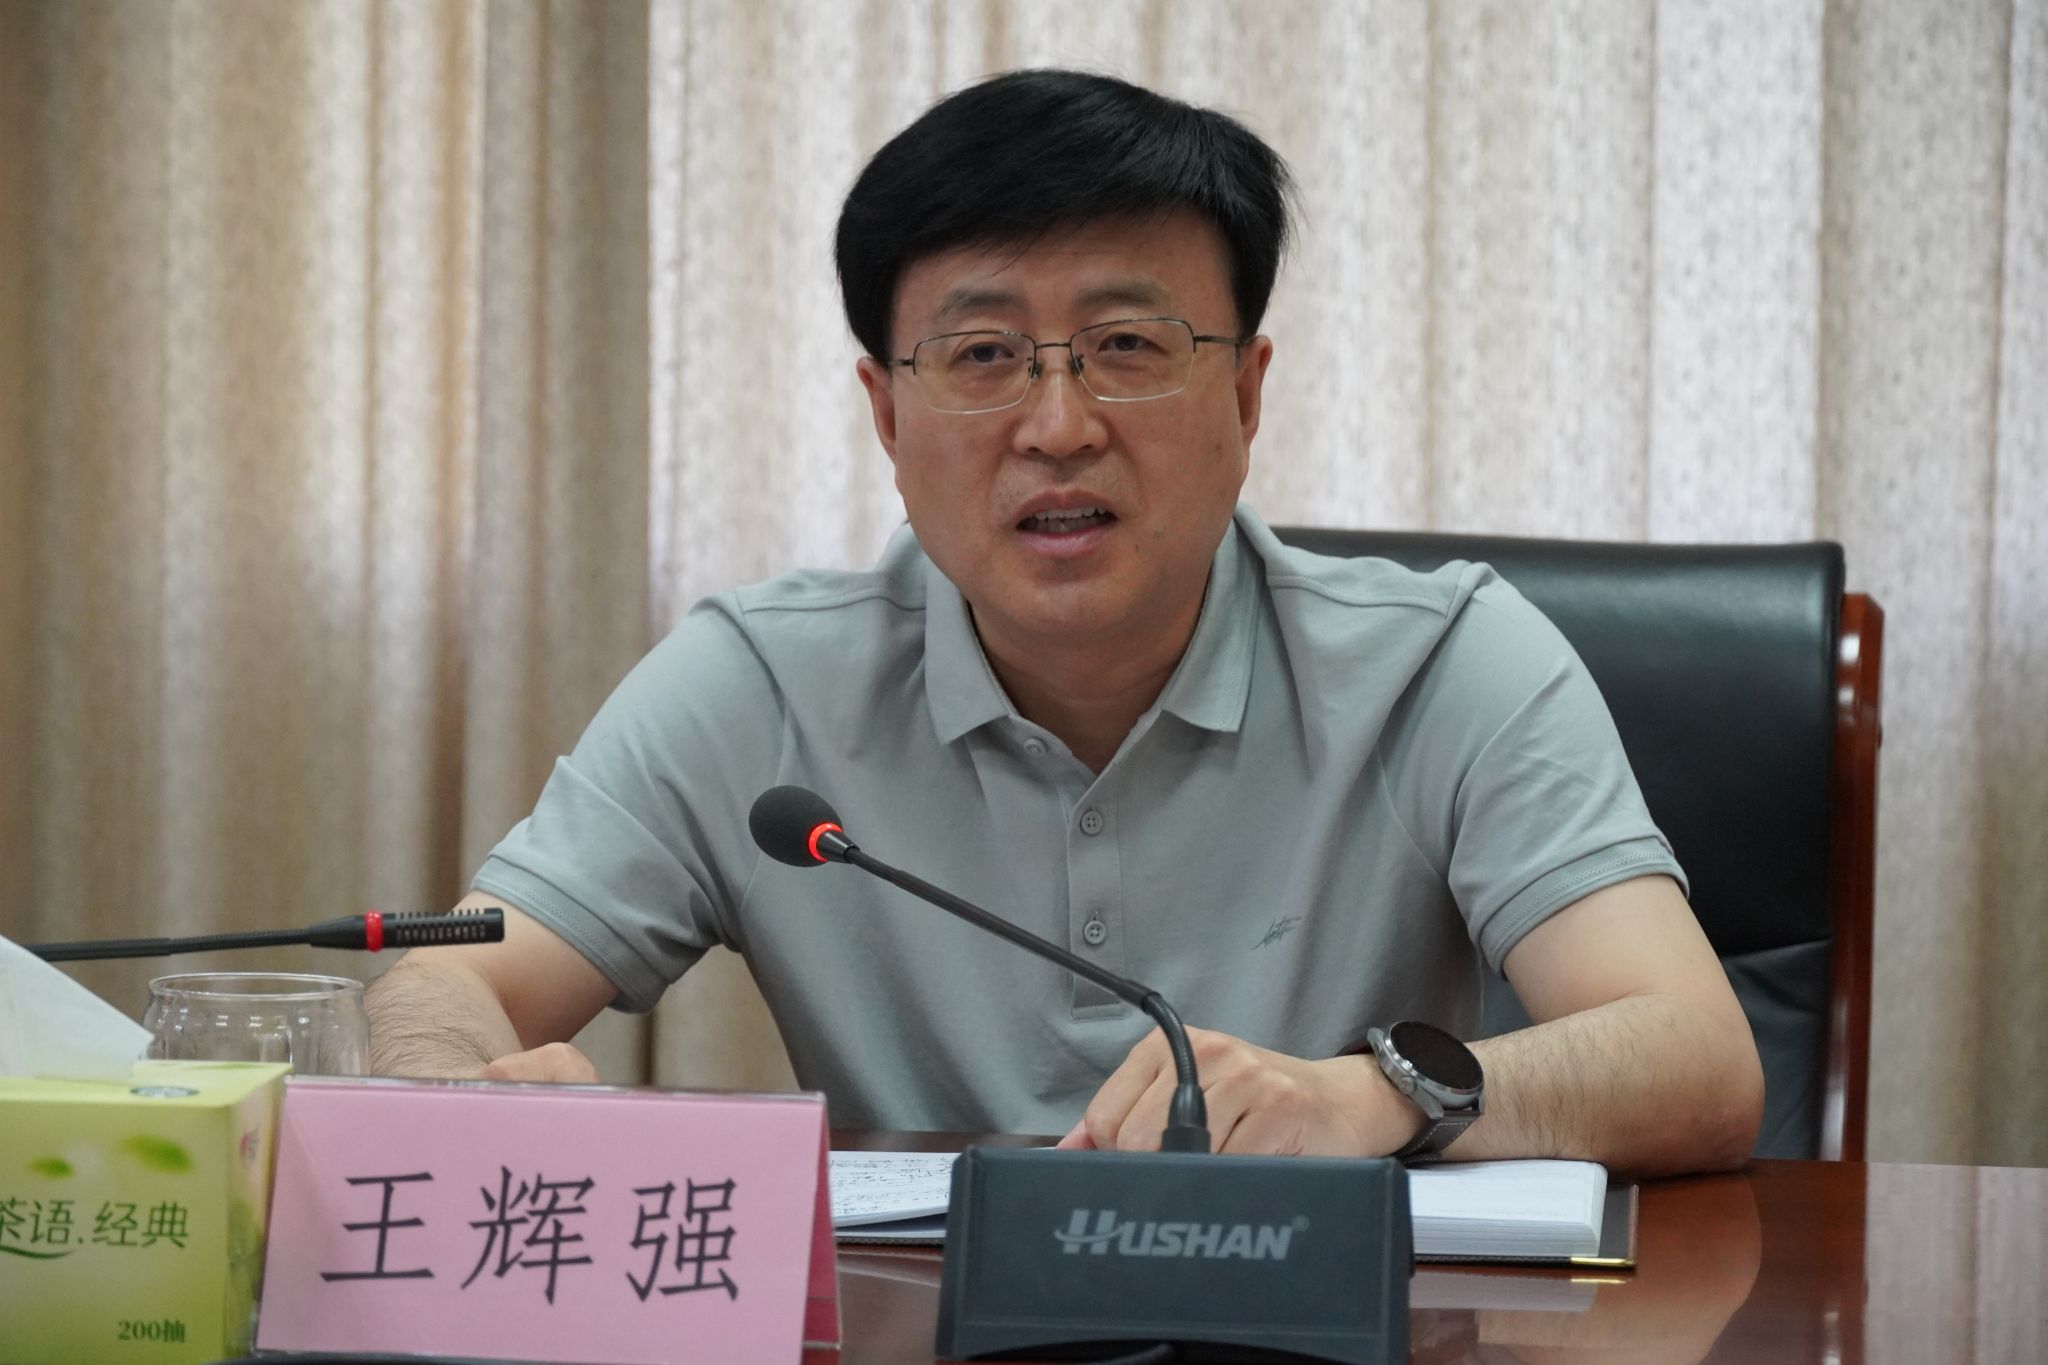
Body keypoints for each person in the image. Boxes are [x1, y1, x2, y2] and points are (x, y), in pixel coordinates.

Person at [367, 69, 1763, 1177]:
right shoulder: (759, 686)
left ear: (1246, 396)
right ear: (887, 417)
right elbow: (452, 975)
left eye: (1127, 348)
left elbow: (1697, 1060)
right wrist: (455, 1092)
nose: (1057, 425)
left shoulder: (1446, 663)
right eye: (982, 356)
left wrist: (1364, 1098)